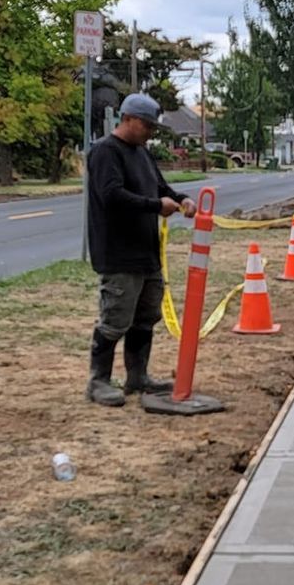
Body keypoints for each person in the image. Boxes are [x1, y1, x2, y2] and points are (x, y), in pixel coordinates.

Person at [84, 93, 194, 407]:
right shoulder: (105, 152)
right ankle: (98, 382)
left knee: (146, 316)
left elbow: (160, 187)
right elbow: (112, 196)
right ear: (128, 118)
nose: (150, 132)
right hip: (118, 254)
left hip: (147, 253)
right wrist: (155, 206)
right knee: (115, 318)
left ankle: (137, 376)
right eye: (146, 125)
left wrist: (180, 197)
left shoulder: (141, 153)